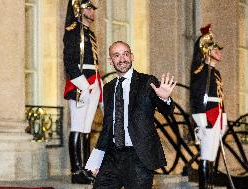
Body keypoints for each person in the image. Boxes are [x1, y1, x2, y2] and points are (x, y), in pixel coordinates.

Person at [85, 41, 177, 189]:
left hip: (139, 157)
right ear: (110, 60)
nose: (122, 59)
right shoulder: (108, 88)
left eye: (126, 54)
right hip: (112, 156)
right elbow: (108, 127)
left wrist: (164, 98)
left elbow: (167, 111)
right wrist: (96, 159)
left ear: (132, 57)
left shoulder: (147, 82)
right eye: (117, 55)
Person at [63, 0, 102, 184]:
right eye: (88, 8)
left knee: (87, 128)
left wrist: (97, 84)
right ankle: (76, 171)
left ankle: (86, 168)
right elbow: (70, 62)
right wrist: (83, 85)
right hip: (81, 83)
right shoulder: (73, 30)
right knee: (78, 127)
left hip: (94, 81)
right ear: (79, 9)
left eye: (92, 8)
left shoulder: (90, 33)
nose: (92, 11)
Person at [190, 24, 228, 189]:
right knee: (206, 154)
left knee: (212, 154)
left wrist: (223, 116)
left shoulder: (216, 73)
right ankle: (204, 186)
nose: (219, 52)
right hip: (207, 115)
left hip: (217, 114)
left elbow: (220, 97)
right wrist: (201, 120)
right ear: (206, 52)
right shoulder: (201, 72)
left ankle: (210, 184)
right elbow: (197, 97)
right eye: (215, 49)